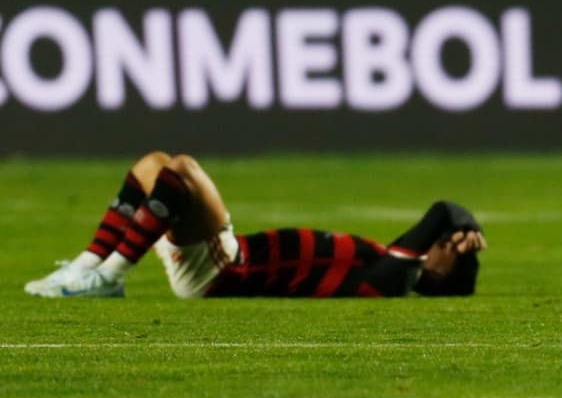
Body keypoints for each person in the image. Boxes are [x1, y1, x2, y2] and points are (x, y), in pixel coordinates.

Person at [25, 152, 486, 299]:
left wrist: (458, 222)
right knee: (153, 165)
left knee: (181, 170)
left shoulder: (391, 279)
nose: (443, 242)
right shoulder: (388, 263)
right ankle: (87, 266)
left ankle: (108, 277)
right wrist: (465, 222)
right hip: (220, 257)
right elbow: (442, 214)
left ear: (441, 272)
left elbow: (437, 213)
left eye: (450, 248)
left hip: (224, 266)